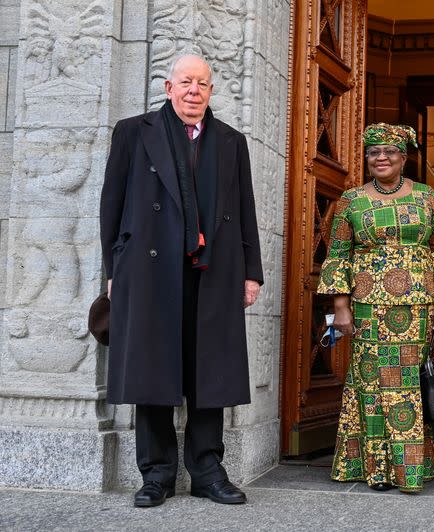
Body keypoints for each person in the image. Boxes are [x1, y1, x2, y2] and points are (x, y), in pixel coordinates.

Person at [100, 54, 263, 507]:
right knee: (152, 370)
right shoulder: (134, 131)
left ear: (212, 91)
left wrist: (252, 274)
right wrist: (114, 271)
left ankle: (209, 471)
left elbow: (245, 209)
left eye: (203, 84)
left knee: (211, 372)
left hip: (215, 270)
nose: (194, 90)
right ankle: (156, 475)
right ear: (168, 87)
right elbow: (110, 205)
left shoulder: (231, 140)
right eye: (186, 82)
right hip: (149, 271)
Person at [318, 123, 434, 493]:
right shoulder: (352, 200)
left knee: (407, 385)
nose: (380, 158)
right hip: (367, 305)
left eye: (389, 152)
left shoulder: (427, 197)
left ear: (403, 157)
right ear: (367, 158)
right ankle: (375, 469)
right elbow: (338, 255)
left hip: (416, 305)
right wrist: (341, 307)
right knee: (370, 382)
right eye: (373, 153)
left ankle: (410, 470)